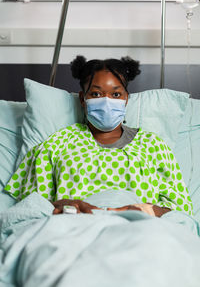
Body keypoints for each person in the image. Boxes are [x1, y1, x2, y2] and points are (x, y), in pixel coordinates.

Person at [4, 56, 193, 218]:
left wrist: (139, 210)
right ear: (82, 99)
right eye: (96, 93)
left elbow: (181, 213)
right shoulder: (56, 145)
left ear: (126, 99)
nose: (106, 101)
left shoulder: (153, 146)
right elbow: (32, 209)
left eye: (116, 94)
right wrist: (64, 203)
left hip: (138, 229)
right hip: (73, 227)